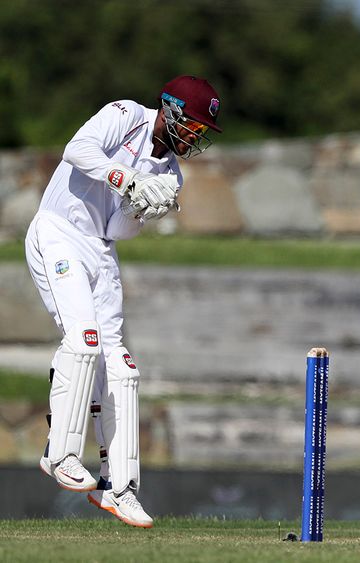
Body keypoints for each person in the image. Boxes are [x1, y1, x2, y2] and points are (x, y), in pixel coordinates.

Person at [25, 75, 222, 528]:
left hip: (101, 249)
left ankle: (119, 487)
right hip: (58, 231)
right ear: (170, 110)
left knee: (122, 367)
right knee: (84, 340)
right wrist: (126, 177)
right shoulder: (126, 115)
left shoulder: (170, 171)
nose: (195, 137)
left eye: (201, 132)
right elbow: (77, 149)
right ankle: (61, 453)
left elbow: (118, 231)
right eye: (191, 125)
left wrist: (138, 209)